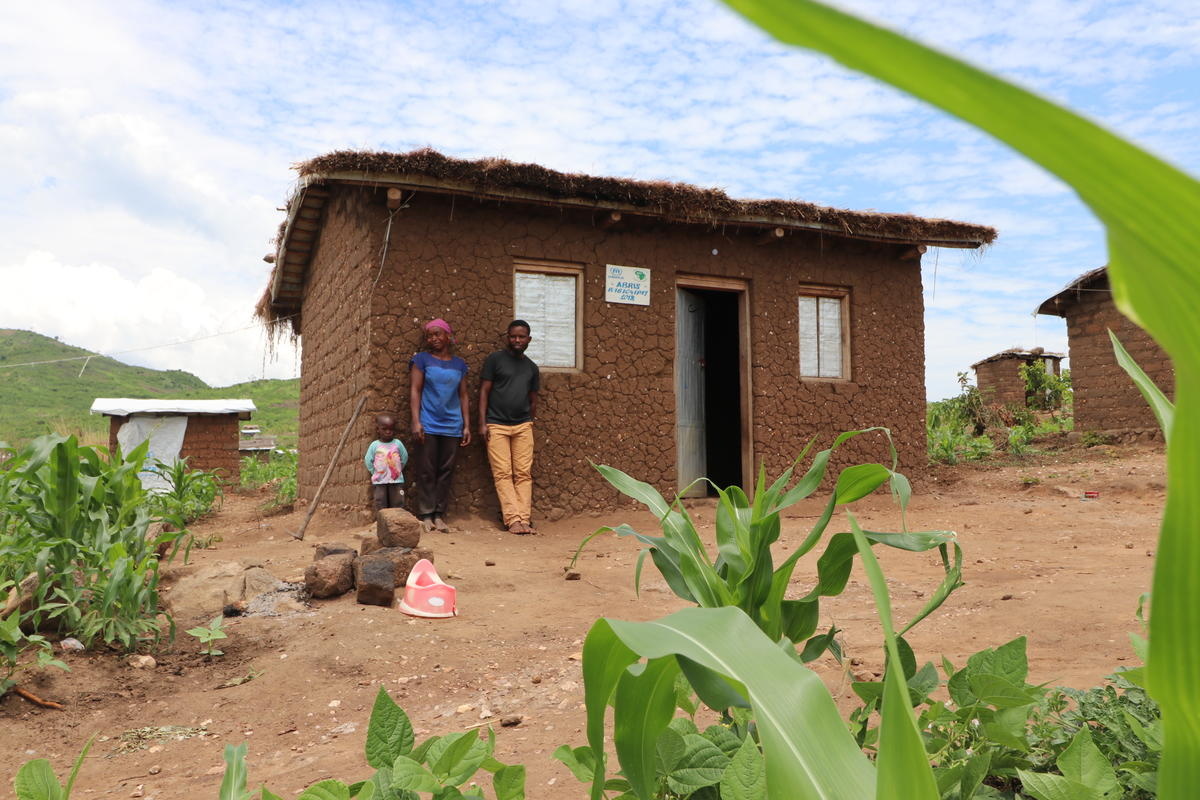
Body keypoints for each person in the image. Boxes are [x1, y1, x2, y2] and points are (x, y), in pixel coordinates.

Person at [409, 318, 471, 532]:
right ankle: (426, 514)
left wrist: (466, 425)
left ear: (448, 336)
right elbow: (415, 390)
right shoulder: (422, 360)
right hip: (429, 423)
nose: (433, 338)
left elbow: (463, 395)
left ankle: (439, 514)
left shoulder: (459, 364)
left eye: (438, 334)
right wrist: (416, 421)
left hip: (452, 425)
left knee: (446, 470)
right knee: (426, 470)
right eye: (429, 335)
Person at [479, 319, 540, 534]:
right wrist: (483, 422)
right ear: (507, 337)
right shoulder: (495, 360)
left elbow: (533, 399)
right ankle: (513, 519)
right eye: (513, 336)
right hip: (496, 425)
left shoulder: (532, 368)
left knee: (523, 474)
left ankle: (524, 519)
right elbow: (484, 392)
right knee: (503, 473)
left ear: (528, 339)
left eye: (521, 336)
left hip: (523, 426)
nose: (517, 340)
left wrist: (529, 421)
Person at [364, 414, 408, 511]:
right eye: (384, 429)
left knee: (397, 502)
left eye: (391, 429)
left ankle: (397, 522)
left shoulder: (397, 444)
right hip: (380, 481)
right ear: (378, 430)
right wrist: (375, 472)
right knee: (380, 501)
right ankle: (382, 522)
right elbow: (368, 460)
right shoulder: (374, 445)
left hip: (396, 480)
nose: (388, 432)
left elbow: (404, 457)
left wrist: (398, 470)